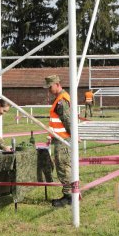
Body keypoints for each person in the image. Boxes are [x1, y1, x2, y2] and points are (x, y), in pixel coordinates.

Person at [44, 74, 72, 207]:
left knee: (63, 167)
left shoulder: (61, 100)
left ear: (57, 84)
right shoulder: (60, 98)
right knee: (63, 166)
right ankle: (70, 194)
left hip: (63, 140)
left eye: (50, 87)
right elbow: (57, 121)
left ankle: (68, 197)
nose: (49, 90)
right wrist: (50, 136)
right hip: (59, 138)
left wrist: (74, 135)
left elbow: (67, 120)